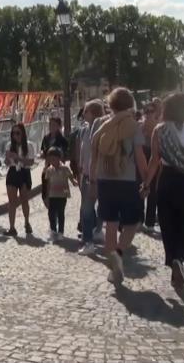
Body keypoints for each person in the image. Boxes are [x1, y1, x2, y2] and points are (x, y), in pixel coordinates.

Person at [90, 87, 150, 284]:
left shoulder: (101, 125)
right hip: (127, 180)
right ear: (130, 104)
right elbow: (140, 158)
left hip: (105, 180)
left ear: (111, 105)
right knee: (132, 223)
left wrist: (92, 181)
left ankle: (114, 270)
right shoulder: (133, 126)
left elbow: (94, 157)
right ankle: (118, 251)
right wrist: (147, 180)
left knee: (110, 224)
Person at [149, 93, 184, 289]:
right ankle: (180, 258)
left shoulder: (159, 130)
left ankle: (173, 258)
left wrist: (146, 183)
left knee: (167, 223)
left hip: (166, 180)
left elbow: (154, 160)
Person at [75, 100, 106, 255]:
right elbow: (83, 151)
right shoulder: (84, 130)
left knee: (99, 207)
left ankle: (94, 235)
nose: (83, 113)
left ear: (93, 112)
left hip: (101, 175)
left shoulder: (103, 129)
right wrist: (80, 167)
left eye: (86, 111)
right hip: (86, 174)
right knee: (86, 208)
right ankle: (88, 238)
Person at [4, 122, 36, 237]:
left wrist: (18, 158)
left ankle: (27, 222)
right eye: (13, 133)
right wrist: (7, 160)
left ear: (22, 133)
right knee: (11, 202)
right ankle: (12, 227)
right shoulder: (9, 146)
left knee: (24, 200)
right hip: (12, 172)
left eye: (18, 133)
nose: (15, 136)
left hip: (24, 172)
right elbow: (7, 162)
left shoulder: (29, 145)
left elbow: (31, 162)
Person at [41, 147, 74, 241]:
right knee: (51, 213)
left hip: (62, 195)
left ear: (59, 158)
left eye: (54, 159)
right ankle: (53, 230)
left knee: (61, 213)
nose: (52, 161)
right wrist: (46, 196)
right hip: (52, 195)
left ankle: (60, 232)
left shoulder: (65, 169)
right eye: (50, 159)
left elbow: (71, 177)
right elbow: (47, 184)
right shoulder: (49, 170)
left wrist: (75, 182)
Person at [140, 100, 162, 230]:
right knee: (142, 186)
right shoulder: (140, 126)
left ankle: (149, 221)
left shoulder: (159, 126)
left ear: (156, 113)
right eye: (146, 111)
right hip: (142, 156)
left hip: (154, 157)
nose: (147, 113)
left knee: (153, 189)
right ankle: (140, 218)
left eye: (150, 111)